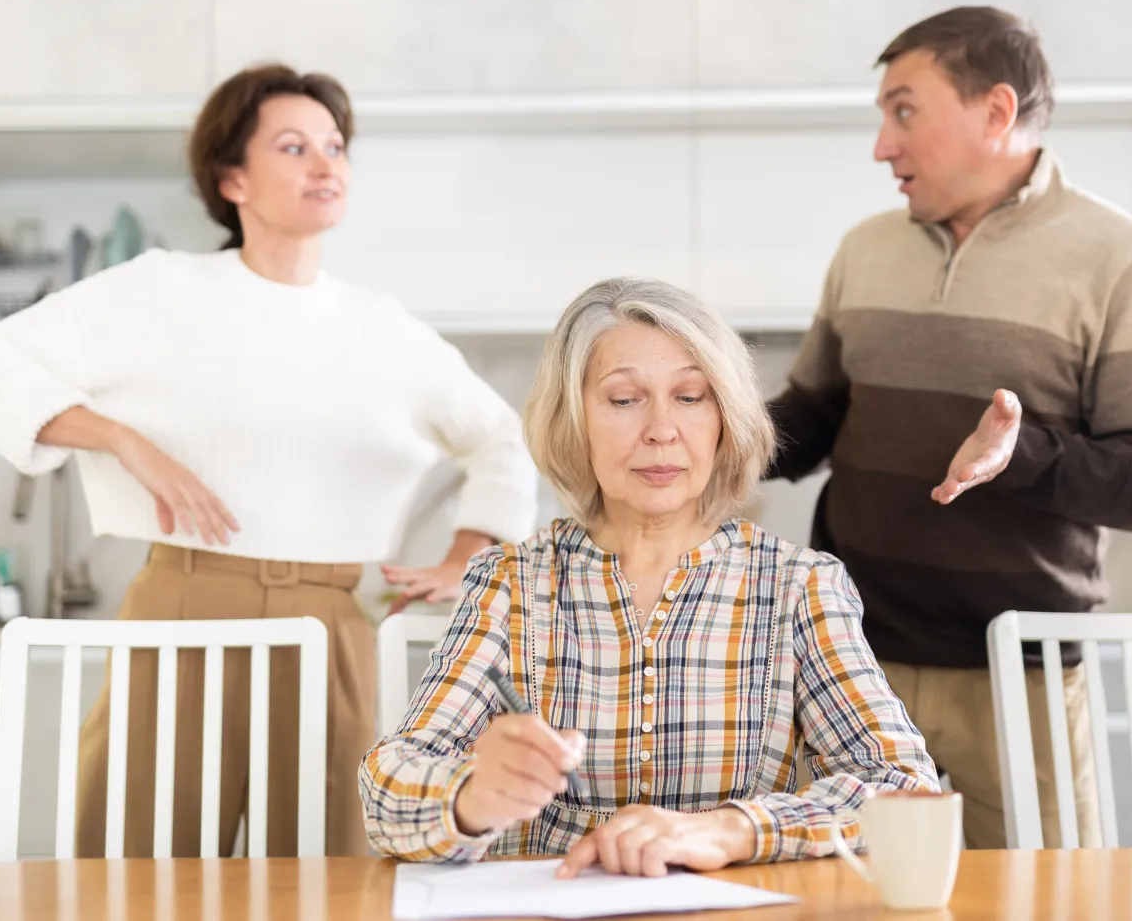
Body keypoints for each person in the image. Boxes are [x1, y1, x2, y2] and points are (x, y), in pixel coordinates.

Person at [0, 64, 537, 857]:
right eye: (295, 146)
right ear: (232, 178)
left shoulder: (382, 327)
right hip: (182, 605)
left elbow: (502, 438)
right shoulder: (158, 291)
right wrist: (122, 438)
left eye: (336, 146)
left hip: (335, 621)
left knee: (335, 874)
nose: (326, 164)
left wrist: (471, 550)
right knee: (136, 868)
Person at [766, 6, 1132, 849]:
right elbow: (812, 419)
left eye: (904, 111)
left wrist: (1022, 454)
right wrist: (707, 424)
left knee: (1047, 903)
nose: (882, 146)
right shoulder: (865, 248)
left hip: (1018, 680)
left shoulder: (1124, 259)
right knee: (844, 901)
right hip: (856, 666)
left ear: (996, 112)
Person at [359, 277, 937, 875]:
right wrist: (469, 797)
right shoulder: (509, 582)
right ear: (573, 419)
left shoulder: (799, 586)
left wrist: (729, 831)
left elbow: (902, 785)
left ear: (725, 420)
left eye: (690, 397)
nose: (662, 429)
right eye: (623, 399)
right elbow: (387, 792)